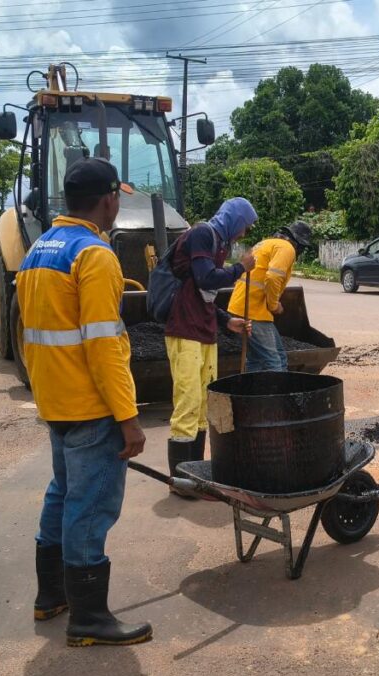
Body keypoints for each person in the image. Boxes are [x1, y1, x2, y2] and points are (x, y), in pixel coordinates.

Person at [17, 157, 151, 646]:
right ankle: (89, 618)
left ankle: (51, 596)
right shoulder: (94, 255)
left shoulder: (39, 250)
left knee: (62, 496)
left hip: (55, 404)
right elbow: (103, 344)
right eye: (118, 199)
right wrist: (129, 419)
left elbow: (27, 334)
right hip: (92, 407)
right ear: (109, 199)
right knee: (90, 508)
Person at [164, 198, 256, 496]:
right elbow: (206, 277)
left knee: (204, 405)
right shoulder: (203, 233)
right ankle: (181, 481)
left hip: (205, 331)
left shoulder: (219, 244)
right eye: (244, 226)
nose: (244, 233)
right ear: (234, 219)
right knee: (188, 402)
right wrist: (240, 268)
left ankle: (198, 477)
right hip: (184, 330)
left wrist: (227, 321)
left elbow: (204, 294)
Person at [228, 221, 312, 372]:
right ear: (298, 243)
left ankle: (252, 393)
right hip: (255, 311)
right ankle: (278, 393)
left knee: (257, 359)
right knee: (274, 361)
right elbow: (273, 277)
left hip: (241, 306)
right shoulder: (287, 248)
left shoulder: (266, 243)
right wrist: (273, 305)